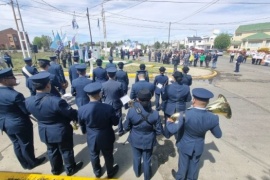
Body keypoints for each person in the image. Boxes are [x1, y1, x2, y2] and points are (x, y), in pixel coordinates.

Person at [25, 72, 83, 176]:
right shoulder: (56, 101)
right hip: (60, 130)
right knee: (66, 150)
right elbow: (70, 113)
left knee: (52, 150)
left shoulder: (28, 101)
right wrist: (76, 118)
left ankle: (56, 170)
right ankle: (70, 169)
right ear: (48, 85)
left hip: (44, 130)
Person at [166, 88, 222, 180]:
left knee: (183, 166)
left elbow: (172, 129)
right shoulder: (213, 118)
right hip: (198, 146)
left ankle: (180, 177)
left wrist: (169, 121)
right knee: (194, 167)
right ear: (207, 102)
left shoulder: (184, 114)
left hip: (185, 145)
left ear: (194, 100)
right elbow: (218, 135)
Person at [0, 68, 46, 170]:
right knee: (26, 144)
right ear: (4, 80)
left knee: (16, 144)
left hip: (4, 123)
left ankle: (24, 164)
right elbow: (26, 111)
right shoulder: (15, 95)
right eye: (11, 77)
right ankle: (32, 162)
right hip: (19, 124)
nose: (15, 79)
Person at [78, 82, 119, 178]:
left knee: (94, 154)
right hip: (106, 135)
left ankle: (97, 172)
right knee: (108, 154)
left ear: (88, 95)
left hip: (91, 135)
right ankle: (110, 172)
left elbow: (81, 123)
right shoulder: (108, 108)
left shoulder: (82, 109)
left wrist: (84, 131)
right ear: (100, 94)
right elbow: (115, 122)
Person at [124, 89, 163, 180]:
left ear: (138, 99)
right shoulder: (155, 114)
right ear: (150, 99)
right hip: (148, 140)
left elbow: (126, 127)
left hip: (135, 138)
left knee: (136, 157)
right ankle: (147, 177)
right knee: (147, 159)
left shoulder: (131, 111)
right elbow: (159, 131)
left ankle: (137, 173)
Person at [101, 67, 125, 136]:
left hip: (107, 104)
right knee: (119, 117)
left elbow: (101, 95)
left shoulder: (103, 84)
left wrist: (103, 101)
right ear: (115, 75)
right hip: (117, 104)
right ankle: (120, 131)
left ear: (108, 75)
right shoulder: (119, 84)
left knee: (108, 118)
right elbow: (122, 95)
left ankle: (109, 130)